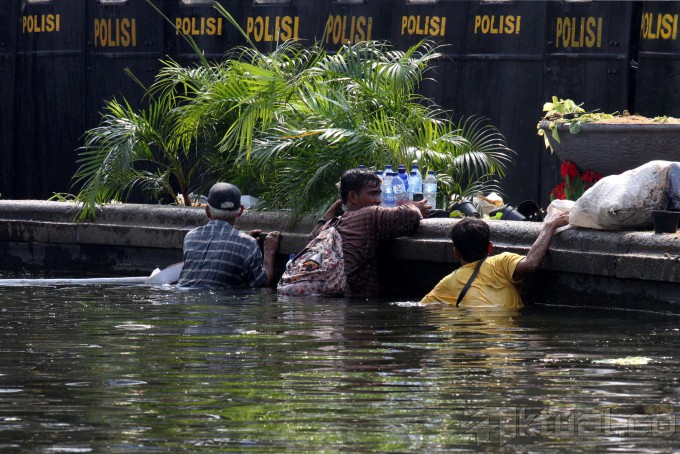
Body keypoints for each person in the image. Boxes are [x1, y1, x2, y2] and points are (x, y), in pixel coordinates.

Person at [310, 168, 431, 297]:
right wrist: (417, 207)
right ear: (352, 197)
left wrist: (324, 219)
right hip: (349, 301)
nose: (378, 200)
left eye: (379, 194)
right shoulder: (368, 215)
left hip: (318, 296)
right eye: (372, 194)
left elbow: (309, 243)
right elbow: (411, 214)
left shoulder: (328, 225)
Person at [421, 213, 569, 308]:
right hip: (507, 341)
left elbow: (421, 307)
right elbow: (532, 263)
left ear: (456, 253)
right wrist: (549, 226)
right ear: (490, 247)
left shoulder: (447, 283)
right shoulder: (502, 262)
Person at [178, 182, 281, 288]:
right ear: (240, 211)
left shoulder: (190, 237)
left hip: (185, 295)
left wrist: (243, 241)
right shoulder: (247, 244)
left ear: (207, 211)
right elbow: (262, 283)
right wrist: (269, 252)